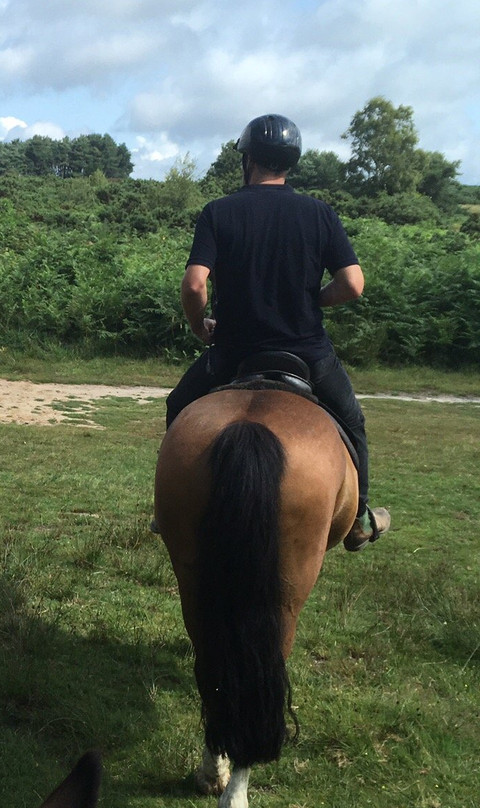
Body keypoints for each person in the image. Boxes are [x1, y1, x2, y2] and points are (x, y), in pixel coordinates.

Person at [164, 114, 389, 550]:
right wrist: (312, 301)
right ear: (290, 162)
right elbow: (353, 284)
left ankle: (167, 509)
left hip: (232, 351)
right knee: (353, 422)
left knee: (178, 405)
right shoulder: (320, 213)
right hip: (307, 354)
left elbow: (194, 284)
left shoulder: (219, 212)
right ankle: (358, 519)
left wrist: (199, 326)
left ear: (247, 160)